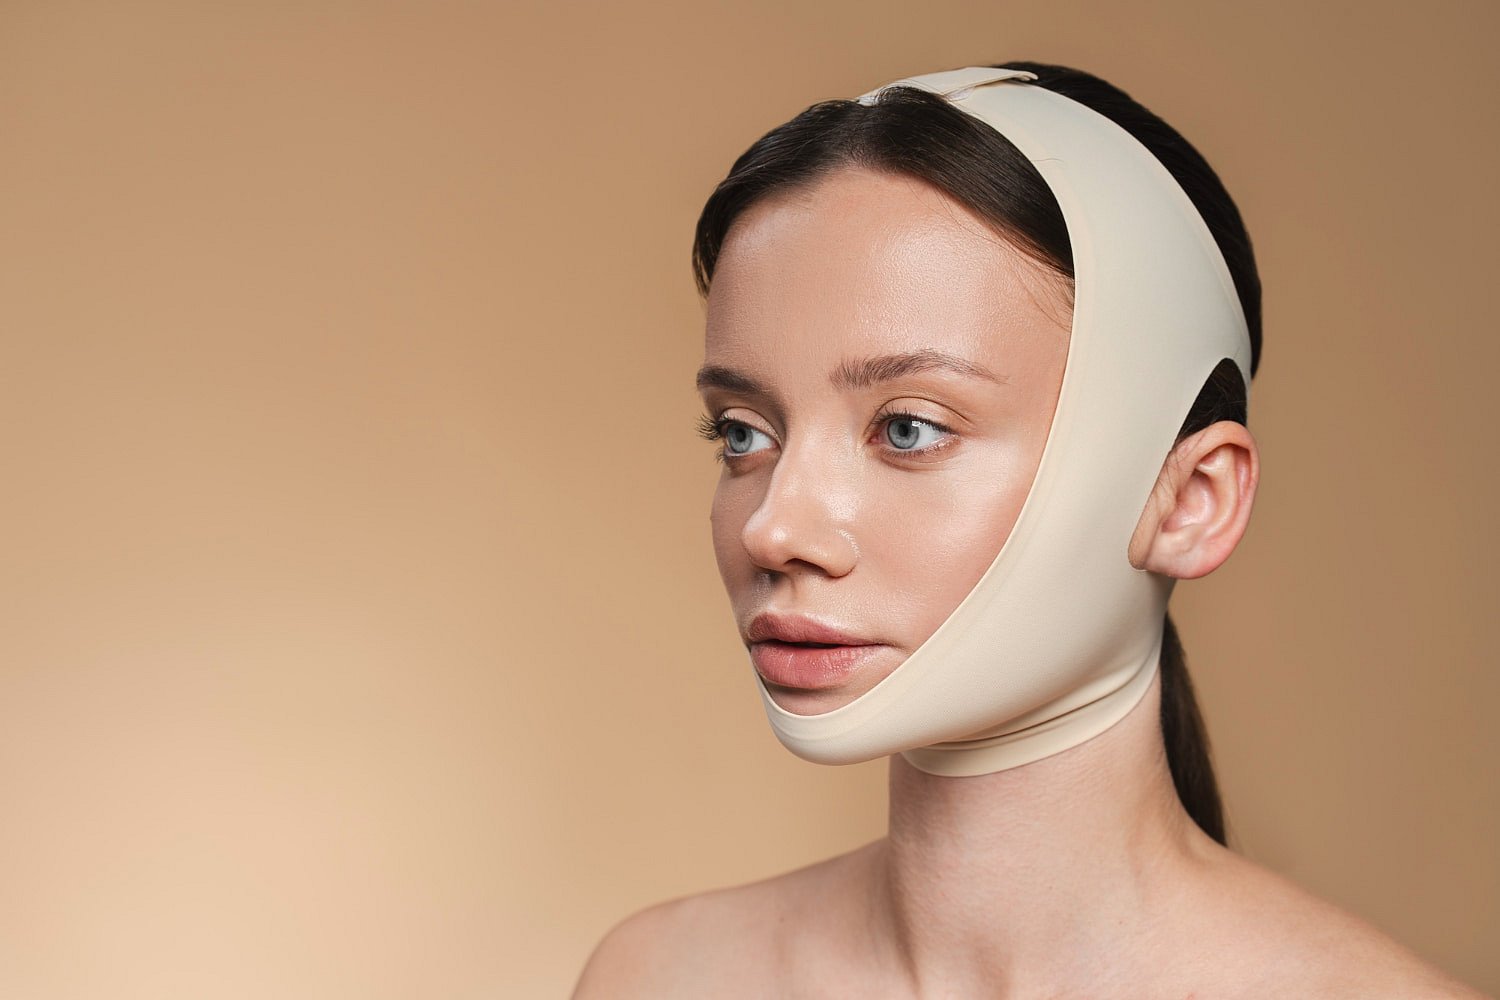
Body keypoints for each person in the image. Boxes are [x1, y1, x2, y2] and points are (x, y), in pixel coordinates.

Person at [572, 61, 1484, 998]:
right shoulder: (658, 977)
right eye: (743, 434)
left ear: (1191, 500)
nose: (774, 528)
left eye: (909, 428)